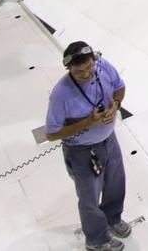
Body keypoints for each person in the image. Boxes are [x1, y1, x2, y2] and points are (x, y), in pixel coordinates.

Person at [45, 42, 131, 251]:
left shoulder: (103, 66)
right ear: (69, 70)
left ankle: (112, 218)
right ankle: (96, 240)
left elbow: (119, 87)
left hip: (109, 140)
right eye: (79, 72)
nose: (86, 74)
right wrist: (88, 123)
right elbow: (51, 133)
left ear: (94, 60)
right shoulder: (61, 94)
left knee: (115, 183)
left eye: (89, 67)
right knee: (89, 198)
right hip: (82, 151)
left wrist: (115, 105)